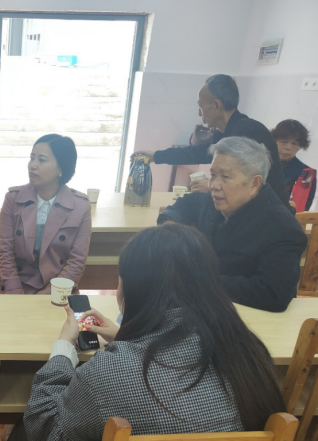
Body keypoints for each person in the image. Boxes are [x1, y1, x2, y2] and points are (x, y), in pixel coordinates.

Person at [0, 223, 288, 441]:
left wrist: (64, 346)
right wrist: (126, 335)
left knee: (24, 434)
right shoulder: (250, 354)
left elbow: (48, 425)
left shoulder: (112, 371)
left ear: (133, 289)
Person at [158, 136, 306, 312]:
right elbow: (188, 202)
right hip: (205, 309)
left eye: (225, 177)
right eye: (213, 175)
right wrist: (169, 226)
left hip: (248, 320)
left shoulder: (283, 229)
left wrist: (197, 279)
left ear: (254, 183)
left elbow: (272, 294)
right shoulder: (215, 202)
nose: (214, 186)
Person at [133, 74, 290, 205]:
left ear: (216, 105)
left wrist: (211, 186)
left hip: (267, 213)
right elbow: (200, 153)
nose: (199, 113)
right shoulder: (224, 131)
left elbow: (246, 184)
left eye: (200, 106)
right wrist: (156, 156)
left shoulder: (248, 132)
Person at [0, 134, 92, 294]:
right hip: (17, 285)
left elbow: (77, 261)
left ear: (61, 168)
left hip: (58, 289)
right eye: (31, 158)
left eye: (41, 160)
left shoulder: (81, 206)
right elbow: (5, 252)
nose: (32, 165)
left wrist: (47, 296)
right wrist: (15, 291)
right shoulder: (13, 198)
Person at [271, 119, 315, 212]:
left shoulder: (306, 173)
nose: (288, 147)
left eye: (294, 143)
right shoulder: (260, 164)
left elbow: (302, 208)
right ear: (274, 141)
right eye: (284, 142)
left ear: (299, 147)